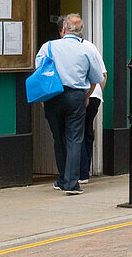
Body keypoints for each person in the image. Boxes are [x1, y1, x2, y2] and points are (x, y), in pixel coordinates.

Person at [36, 13, 104, 195]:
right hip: (76, 96)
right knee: (75, 139)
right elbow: (97, 78)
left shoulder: (48, 47)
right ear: (81, 32)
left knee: (59, 139)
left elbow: (40, 73)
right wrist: (87, 96)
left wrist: (43, 99)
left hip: (52, 96)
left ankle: (62, 179)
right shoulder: (87, 50)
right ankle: (72, 184)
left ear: (64, 29)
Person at [79, 34, 107, 183]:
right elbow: (103, 75)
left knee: (77, 134)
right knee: (87, 131)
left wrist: (87, 95)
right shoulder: (91, 47)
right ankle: (86, 171)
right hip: (95, 94)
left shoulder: (64, 47)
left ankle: (80, 172)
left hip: (80, 94)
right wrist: (97, 92)